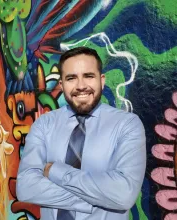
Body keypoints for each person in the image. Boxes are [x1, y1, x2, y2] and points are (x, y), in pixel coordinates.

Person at [16, 47, 146, 220]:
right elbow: (26, 188)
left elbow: (124, 194)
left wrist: (56, 171)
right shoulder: (44, 124)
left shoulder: (127, 125)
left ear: (102, 80)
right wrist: (99, 199)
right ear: (61, 85)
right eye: (71, 78)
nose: (81, 86)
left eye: (88, 76)